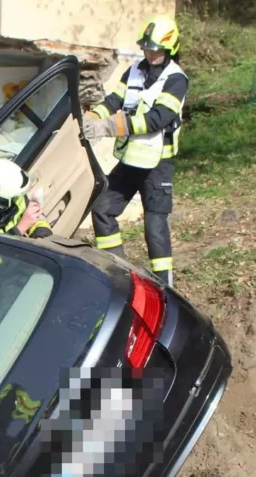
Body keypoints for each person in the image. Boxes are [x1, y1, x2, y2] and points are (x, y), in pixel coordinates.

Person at [83, 14, 188, 287]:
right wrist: (92, 118)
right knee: (102, 209)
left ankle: (164, 286)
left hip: (158, 165)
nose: (150, 53)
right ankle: (115, 272)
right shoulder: (133, 72)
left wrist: (110, 127)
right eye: (147, 48)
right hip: (130, 161)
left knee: (154, 225)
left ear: (170, 48)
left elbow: (157, 119)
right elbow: (114, 100)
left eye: (156, 49)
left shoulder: (176, 80)